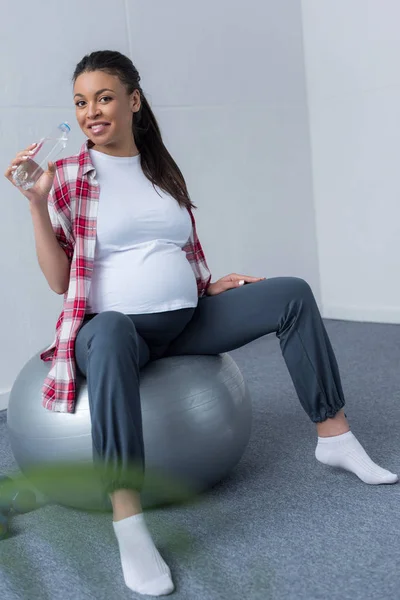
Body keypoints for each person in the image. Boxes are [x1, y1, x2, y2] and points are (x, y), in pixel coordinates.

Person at [5, 50, 398, 597]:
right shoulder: (67, 177)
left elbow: (177, 245)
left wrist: (206, 284)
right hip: (113, 332)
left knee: (291, 295)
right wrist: (34, 204)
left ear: (133, 101)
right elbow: (58, 279)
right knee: (115, 329)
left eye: (103, 97)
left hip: (187, 319)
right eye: (80, 102)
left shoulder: (160, 170)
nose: (91, 111)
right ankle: (129, 519)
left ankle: (334, 436)